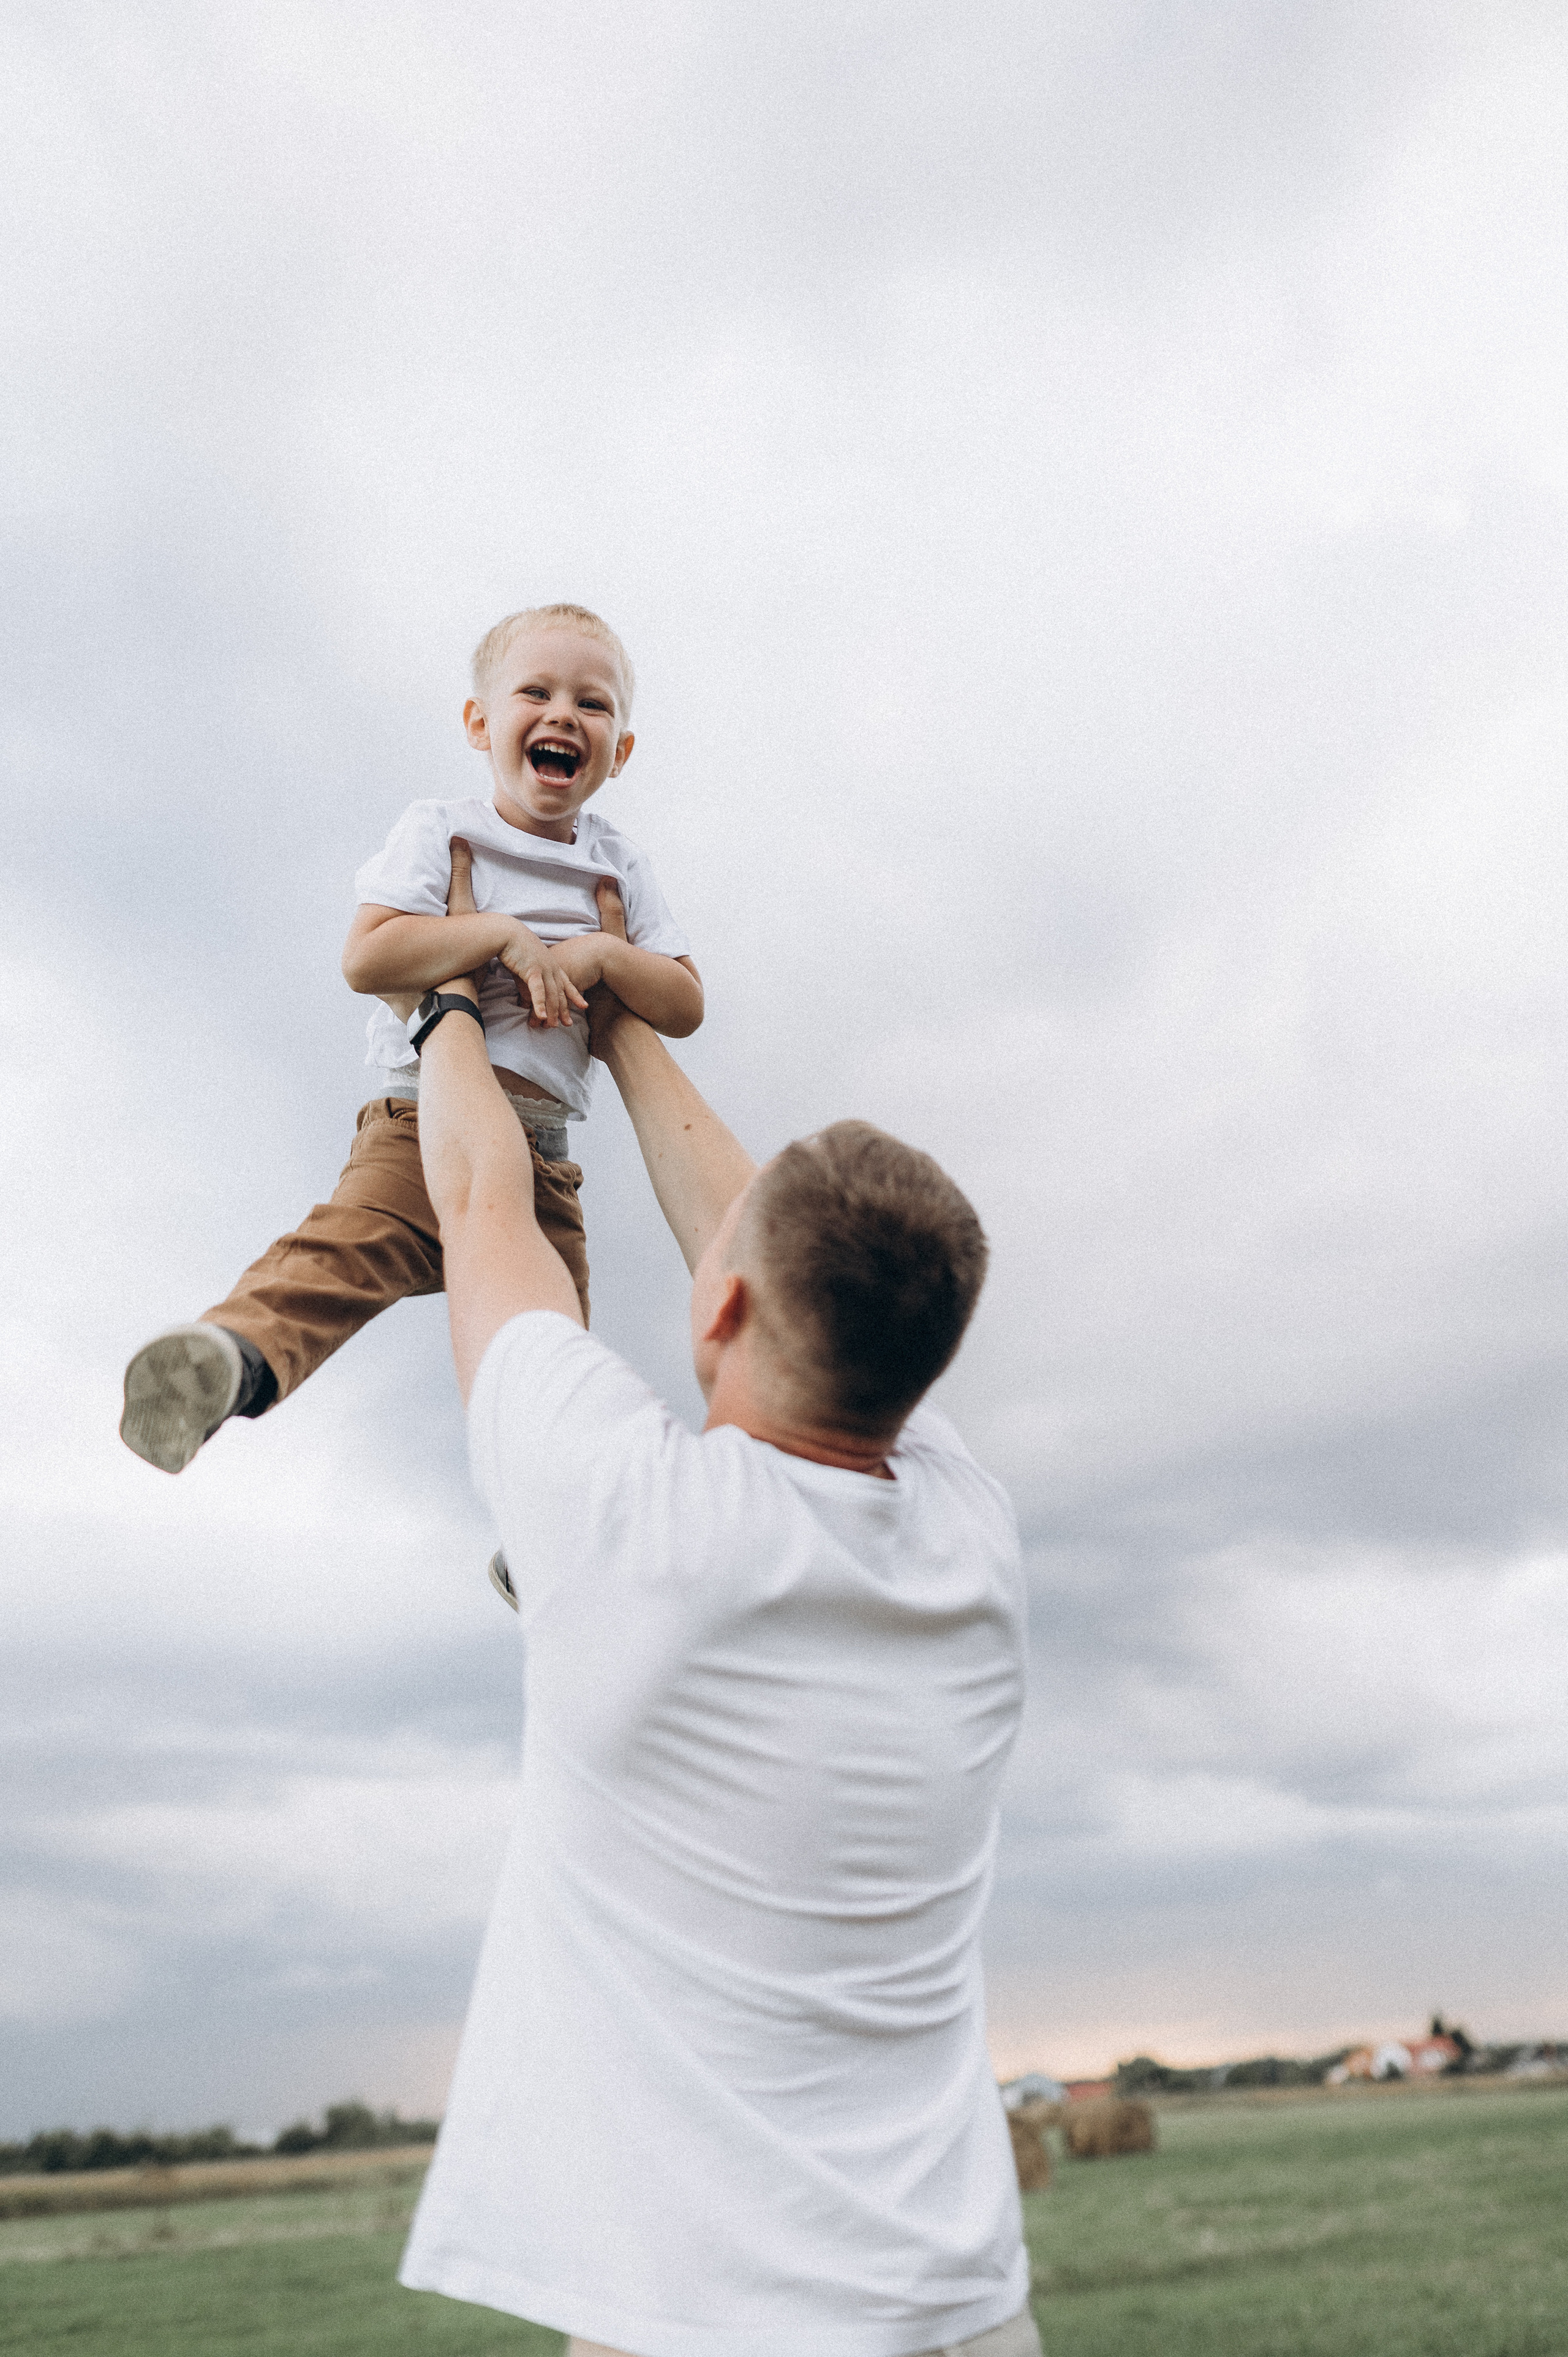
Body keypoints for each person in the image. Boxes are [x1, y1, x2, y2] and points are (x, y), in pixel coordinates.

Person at [396, 952, 1039, 2357]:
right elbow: (769, 1249)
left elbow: (477, 1201)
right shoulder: (968, 1540)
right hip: (957, 2307)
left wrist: (441, 1001)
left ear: (720, 1307)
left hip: (696, 2317)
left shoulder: (631, 1522)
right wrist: (621, 1024)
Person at [119, 602, 701, 1477]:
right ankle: (226, 1362)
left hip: (543, 1158)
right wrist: (501, 935)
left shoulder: (619, 866)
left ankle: (545, 1511)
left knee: (552, 1350)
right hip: (420, 1126)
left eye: (594, 703)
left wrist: (602, 953)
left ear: (619, 751)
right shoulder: (446, 830)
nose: (563, 716)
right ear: (480, 723)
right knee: (342, 1254)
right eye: (534, 692)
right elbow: (370, 955)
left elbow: (686, 1002)